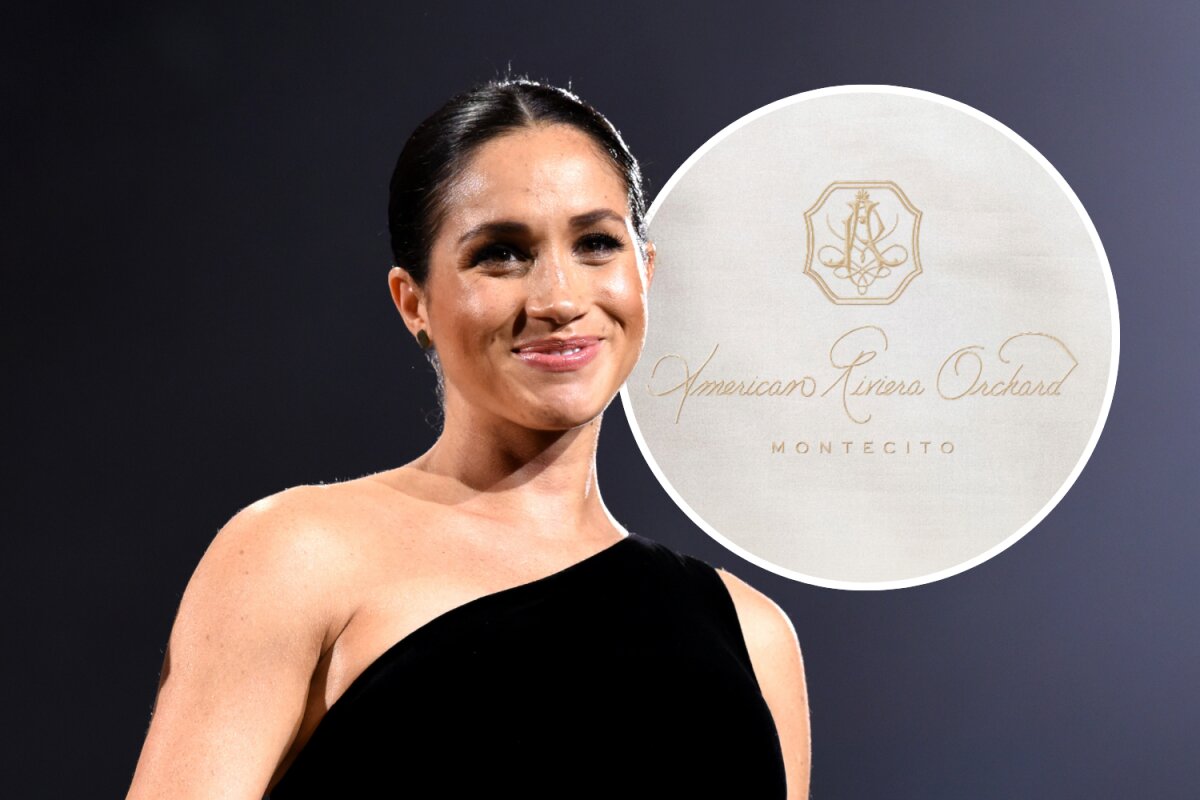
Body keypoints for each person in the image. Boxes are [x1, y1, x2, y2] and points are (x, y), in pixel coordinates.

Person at [126, 77, 811, 799]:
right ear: (413, 302)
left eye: (597, 243)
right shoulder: (295, 557)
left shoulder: (753, 638)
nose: (560, 298)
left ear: (645, 272)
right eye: (501, 254)